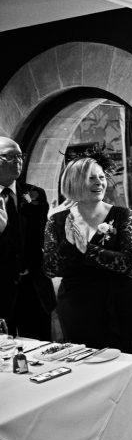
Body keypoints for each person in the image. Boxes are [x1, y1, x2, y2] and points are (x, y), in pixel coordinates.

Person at [43, 157, 132, 354]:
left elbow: (125, 263)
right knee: (84, 360)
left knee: (121, 360)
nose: (99, 182)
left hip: (117, 301)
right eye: (91, 178)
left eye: (101, 177)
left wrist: (86, 248)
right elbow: (51, 268)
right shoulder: (58, 220)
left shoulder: (123, 216)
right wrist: (68, 244)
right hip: (77, 304)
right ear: (74, 182)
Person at [0, 137, 56, 340]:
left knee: (41, 349)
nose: (17, 161)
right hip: (2, 289)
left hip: (33, 287)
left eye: (19, 156)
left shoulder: (34, 194)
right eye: (9, 156)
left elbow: (42, 237)